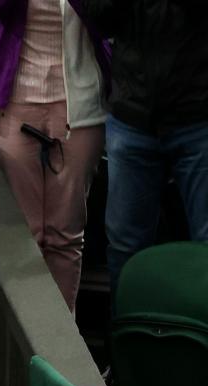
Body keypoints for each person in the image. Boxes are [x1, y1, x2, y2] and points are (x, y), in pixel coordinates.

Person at [0, 0, 110, 312]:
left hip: (79, 105)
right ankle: (21, 340)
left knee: (65, 235)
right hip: (13, 104)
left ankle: (62, 342)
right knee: (25, 235)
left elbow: (109, 18)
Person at [82, 0, 208, 305]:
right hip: (132, 118)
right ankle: (128, 342)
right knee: (125, 246)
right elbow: (99, 17)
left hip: (199, 117)